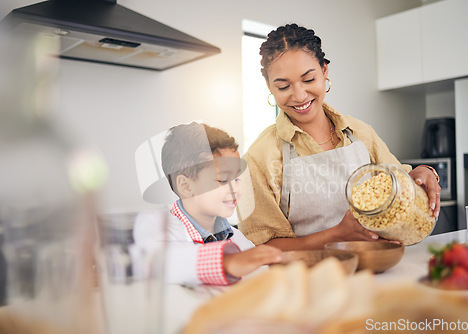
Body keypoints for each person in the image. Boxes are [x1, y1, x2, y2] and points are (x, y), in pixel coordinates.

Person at [239, 23, 441, 251]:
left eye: (308, 80)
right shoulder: (257, 160)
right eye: (284, 86)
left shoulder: (360, 132)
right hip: (308, 280)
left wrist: (422, 173)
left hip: (376, 269)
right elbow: (261, 248)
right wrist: (336, 234)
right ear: (269, 86)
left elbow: (399, 188)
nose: (299, 95)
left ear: (324, 71)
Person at [134, 122, 283, 285]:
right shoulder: (155, 224)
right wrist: (227, 262)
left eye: (237, 178)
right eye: (223, 180)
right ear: (186, 186)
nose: (237, 190)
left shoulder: (236, 237)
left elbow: (259, 278)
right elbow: (158, 262)